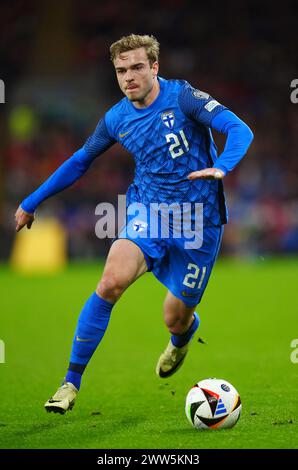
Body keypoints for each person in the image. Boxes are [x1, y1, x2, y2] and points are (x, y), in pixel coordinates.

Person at [15, 34, 254, 414]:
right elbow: (80, 161)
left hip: (199, 223)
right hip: (150, 212)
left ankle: (182, 337)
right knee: (110, 281)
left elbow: (241, 130)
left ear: (154, 67)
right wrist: (31, 202)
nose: (129, 77)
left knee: (175, 317)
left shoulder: (185, 98)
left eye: (137, 67)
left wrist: (221, 167)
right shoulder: (117, 118)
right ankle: (70, 383)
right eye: (121, 70)